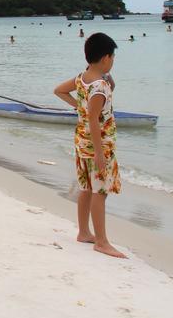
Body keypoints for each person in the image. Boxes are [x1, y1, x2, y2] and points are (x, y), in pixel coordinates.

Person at [53, 32, 126, 259]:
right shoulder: (100, 87)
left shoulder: (83, 78)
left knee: (86, 188)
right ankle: (101, 241)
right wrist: (100, 155)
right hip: (98, 145)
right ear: (105, 58)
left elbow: (59, 90)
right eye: (112, 57)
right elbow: (95, 119)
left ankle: (84, 232)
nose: (113, 61)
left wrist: (79, 107)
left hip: (81, 141)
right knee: (100, 191)